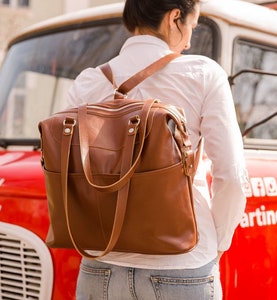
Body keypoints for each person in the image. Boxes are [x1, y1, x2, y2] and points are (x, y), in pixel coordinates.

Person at [67, 0, 247, 299]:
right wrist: (217, 244)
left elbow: (71, 167)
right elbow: (231, 175)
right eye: (191, 25)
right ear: (174, 17)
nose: (189, 40)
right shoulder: (202, 73)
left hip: (99, 263)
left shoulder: (88, 81)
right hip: (181, 263)